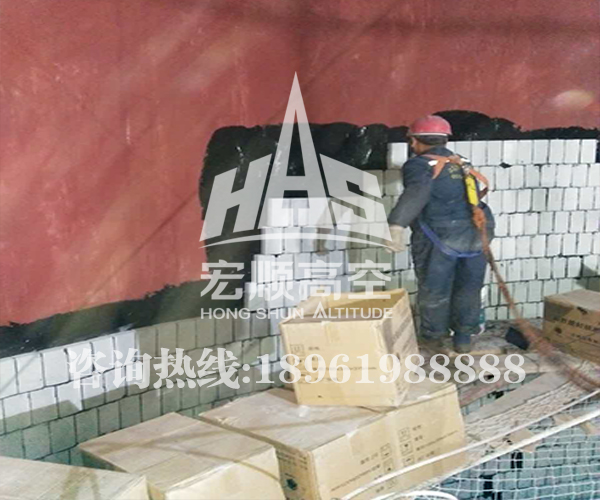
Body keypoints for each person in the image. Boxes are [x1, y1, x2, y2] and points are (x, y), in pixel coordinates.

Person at [387, 115, 494, 354]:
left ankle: (434, 338)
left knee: (435, 289)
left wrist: (396, 225)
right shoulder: (461, 162)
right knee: (469, 287)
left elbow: (417, 193)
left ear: (414, 141)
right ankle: (463, 338)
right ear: (445, 139)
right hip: (475, 237)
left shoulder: (418, 164)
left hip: (439, 239)